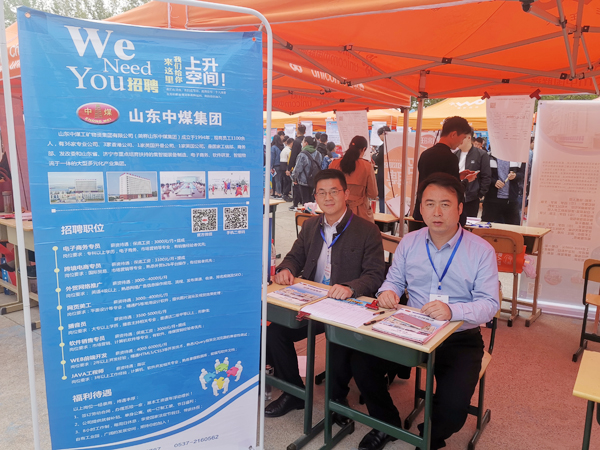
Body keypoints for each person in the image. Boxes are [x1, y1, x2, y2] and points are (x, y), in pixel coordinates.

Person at [351, 173, 499, 450]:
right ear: (420, 209)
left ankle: (429, 436)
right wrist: (388, 292)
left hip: (459, 336)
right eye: (430, 204)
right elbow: (394, 279)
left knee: (453, 410)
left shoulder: (481, 251)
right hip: (411, 327)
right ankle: (388, 425)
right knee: (361, 361)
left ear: (459, 208)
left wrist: (452, 309)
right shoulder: (410, 241)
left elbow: (490, 304)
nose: (437, 212)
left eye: (445, 204)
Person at [265, 169, 386, 418]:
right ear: (315, 196)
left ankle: (336, 400)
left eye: (334, 191)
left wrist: (351, 287)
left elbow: (375, 275)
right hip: (311, 302)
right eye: (322, 192)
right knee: (274, 332)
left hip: (344, 306)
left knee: (339, 344)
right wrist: (286, 269)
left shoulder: (366, 230)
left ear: (346, 194)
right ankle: (294, 392)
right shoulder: (310, 225)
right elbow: (294, 257)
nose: (328, 197)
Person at [410, 116, 478, 232]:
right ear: (453, 134)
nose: (461, 142)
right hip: (441, 215)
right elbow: (455, 190)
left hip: (424, 209)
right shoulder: (450, 158)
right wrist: (467, 180)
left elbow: (433, 178)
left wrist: (458, 175)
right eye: (462, 138)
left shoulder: (425, 154)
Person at [329, 135, 378, 222]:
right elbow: (373, 194)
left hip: (337, 211)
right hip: (360, 214)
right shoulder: (367, 166)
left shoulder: (334, 164)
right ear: (364, 149)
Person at [453, 130, 491, 218]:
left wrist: (480, 194)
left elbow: (486, 175)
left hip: (471, 198)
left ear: (469, 138)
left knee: (469, 223)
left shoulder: (481, 154)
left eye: (461, 138)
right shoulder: (455, 155)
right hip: (455, 196)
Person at [481, 156, 524, 225]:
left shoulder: (517, 157)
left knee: (514, 229)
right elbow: (483, 175)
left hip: (511, 200)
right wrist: (494, 182)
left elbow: (522, 174)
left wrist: (515, 176)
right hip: (492, 200)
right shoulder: (488, 157)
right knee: (487, 226)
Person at [291, 136, 323, 205]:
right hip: (315, 180)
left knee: (305, 201)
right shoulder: (318, 154)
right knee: (312, 201)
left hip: (304, 181)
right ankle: (312, 214)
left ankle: (307, 214)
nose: (302, 143)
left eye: (303, 141)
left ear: (306, 143)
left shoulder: (302, 154)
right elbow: (320, 167)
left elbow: (297, 169)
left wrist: (294, 179)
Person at [288, 124, 306, 210]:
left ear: (297, 131)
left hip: (297, 166)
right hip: (306, 168)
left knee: (296, 185)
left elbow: (293, 155)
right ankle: (304, 204)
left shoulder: (296, 142)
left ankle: (295, 204)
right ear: (305, 132)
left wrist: (289, 168)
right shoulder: (306, 141)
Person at [373, 126, 391, 213]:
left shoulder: (383, 146)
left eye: (379, 135)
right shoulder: (395, 145)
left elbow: (378, 160)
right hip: (392, 176)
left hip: (383, 175)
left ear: (384, 134)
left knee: (382, 196)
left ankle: (383, 214)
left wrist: (373, 156)